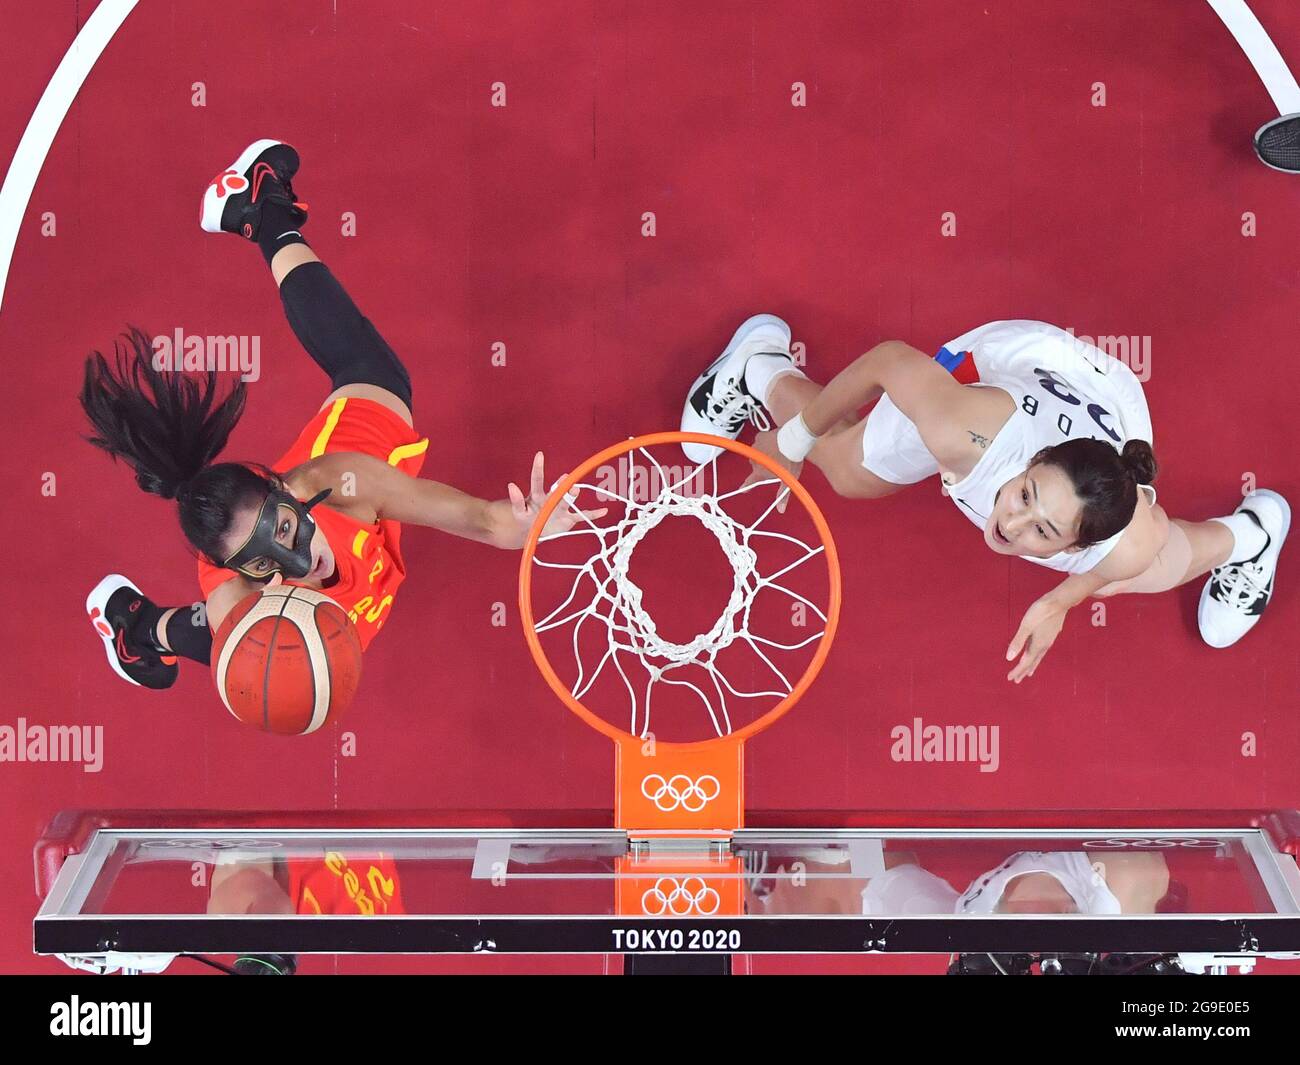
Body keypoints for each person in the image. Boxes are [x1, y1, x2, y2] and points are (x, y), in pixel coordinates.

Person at [83, 140, 602, 692]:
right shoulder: (236, 597)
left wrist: (519, 525)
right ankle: (141, 632)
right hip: (286, 626)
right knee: (251, 653)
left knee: (378, 377)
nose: (297, 560)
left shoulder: (337, 482)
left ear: (287, 491)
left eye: (284, 528)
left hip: (347, 511)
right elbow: (261, 684)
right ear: (237, 572)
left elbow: (484, 521)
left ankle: (263, 213)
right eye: (263, 564)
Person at [683, 316, 1289, 682]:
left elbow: (1112, 564)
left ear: (1076, 546)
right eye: (1026, 495)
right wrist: (793, 441)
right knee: (847, 471)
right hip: (1012, 365)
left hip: (1102, 420)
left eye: (1042, 533)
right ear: (1030, 464)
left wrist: (1060, 601)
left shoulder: (1129, 540)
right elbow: (889, 360)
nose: (1010, 522)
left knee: (1156, 569)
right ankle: (756, 365)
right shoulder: (963, 430)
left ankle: (1257, 532)